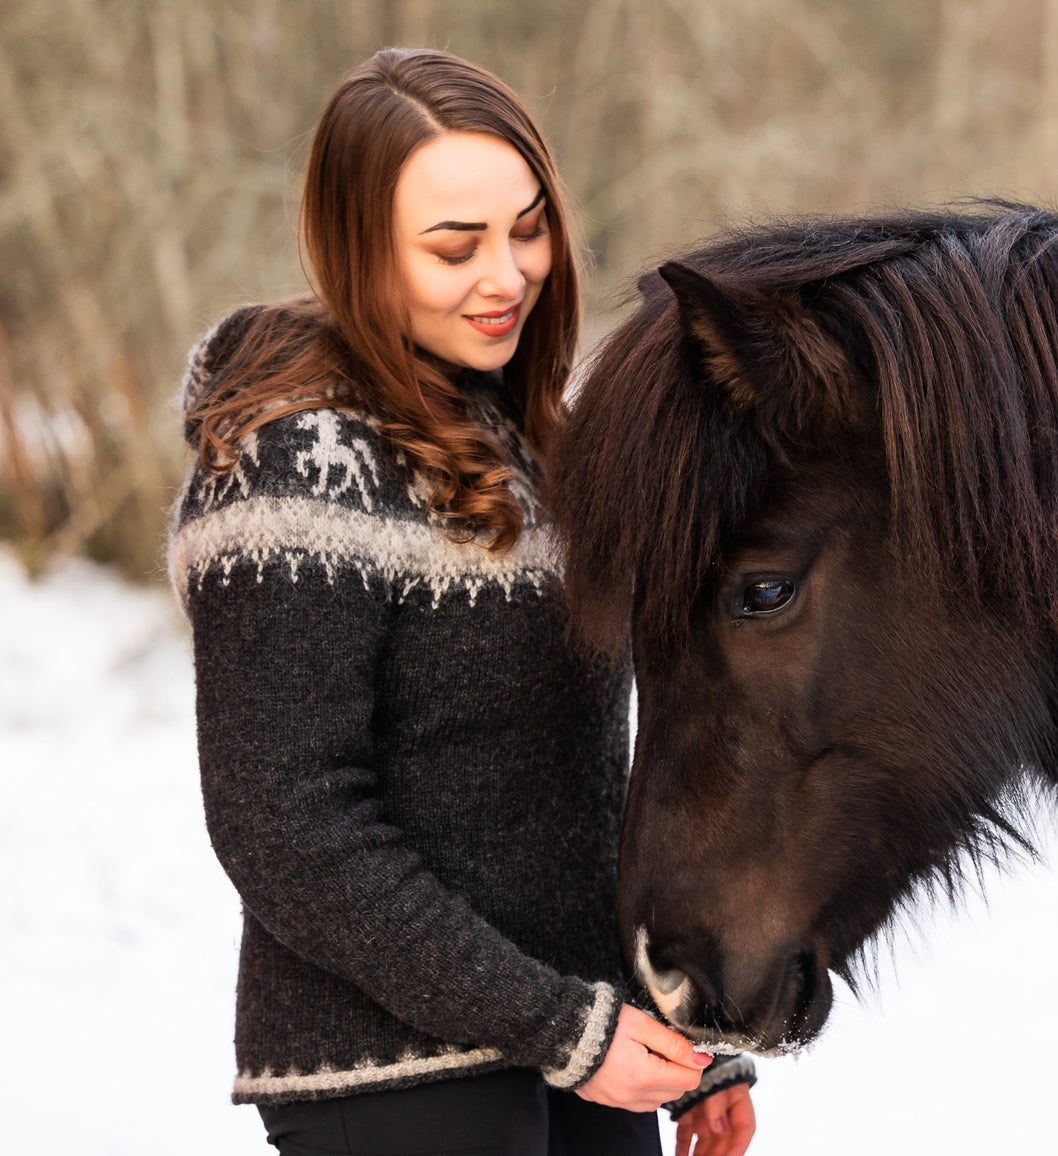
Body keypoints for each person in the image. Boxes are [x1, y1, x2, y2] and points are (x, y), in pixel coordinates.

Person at [167, 47, 756, 1156]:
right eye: (454, 246)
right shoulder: (294, 458)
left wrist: (676, 1028)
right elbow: (285, 821)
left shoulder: (543, 442)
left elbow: (571, 795)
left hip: (580, 1053)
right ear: (357, 251)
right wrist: (560, 1027)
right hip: (388, 1074)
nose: (508, 275)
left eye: (527, 228)